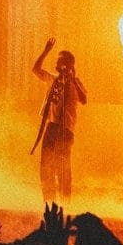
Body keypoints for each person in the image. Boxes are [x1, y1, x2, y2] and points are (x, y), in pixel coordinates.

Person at [30, 38, 86, 204]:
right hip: (51, 127)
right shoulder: (52, 79)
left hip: (66, 130)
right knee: (46, 166)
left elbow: (84, 99)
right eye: (57, 61)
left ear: (69, 65)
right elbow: (36, 69)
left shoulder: (76, 82)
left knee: (63, 167)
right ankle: (49, 202)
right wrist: (46, 51)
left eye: (61, 62)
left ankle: (65, 202)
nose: (57, 64)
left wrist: (73, 79)